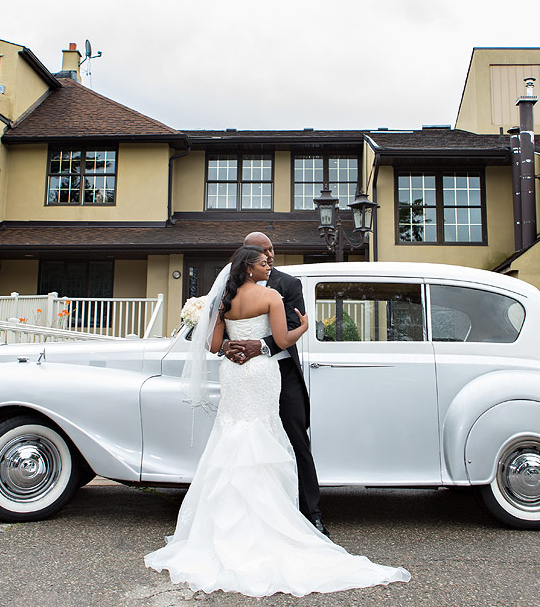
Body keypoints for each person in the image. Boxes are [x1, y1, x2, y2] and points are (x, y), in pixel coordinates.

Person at [145, 246, 409, 597]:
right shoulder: (270, 296)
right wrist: (303, 327)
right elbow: (283, 341)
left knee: (232, 433)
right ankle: (272, 517)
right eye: (264, 262)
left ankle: (222, 524)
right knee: (264, 431)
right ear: (250, 268)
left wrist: (231, 348)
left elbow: (212, 345)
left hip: (234, 373)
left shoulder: (223, 299)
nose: (270, 265)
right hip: (263, 373)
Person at [224, 232, 325, 534]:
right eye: (262, 250)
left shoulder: (288, 284)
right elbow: (220, 331)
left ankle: (312, 512)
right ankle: (246, 511)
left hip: (282, 373)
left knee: (296, 440)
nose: (269, 255)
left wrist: (261, 346)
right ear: (248, 255)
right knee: (247, 438)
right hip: (245, 376)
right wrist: (225, 347)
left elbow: (292, 326)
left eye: (271, 249)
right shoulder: (230, 288)